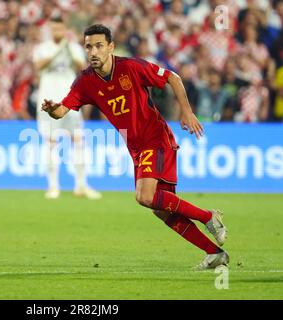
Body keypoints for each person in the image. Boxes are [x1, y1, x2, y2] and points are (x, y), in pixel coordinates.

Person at [42, 24, 229, 270]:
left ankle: (208, 216)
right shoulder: (85, 81)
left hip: (156, 139)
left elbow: (173, 77)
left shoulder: (131, 67)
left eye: (99, 46)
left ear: (111, 46)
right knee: (161, 209)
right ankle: (214, 253)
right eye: (89, 47)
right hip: (136, 148)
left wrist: (186, 112)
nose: (93, 52)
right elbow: (62, 111)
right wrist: (52, 109)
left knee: (144, 196)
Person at [33, 16, 101, 200]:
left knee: (78, 141)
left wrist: (68, 49)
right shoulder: (42, 48)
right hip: (48, 101)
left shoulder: (74, 48)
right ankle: (53, 186)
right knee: (51, 142)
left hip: (70, 100)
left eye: (60, 29)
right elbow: (38, 67)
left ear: (65, 29)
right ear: (49, 29)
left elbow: (82, 68)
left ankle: (81, 185)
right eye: (54, 29)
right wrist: (58, 51)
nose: (57, 32)